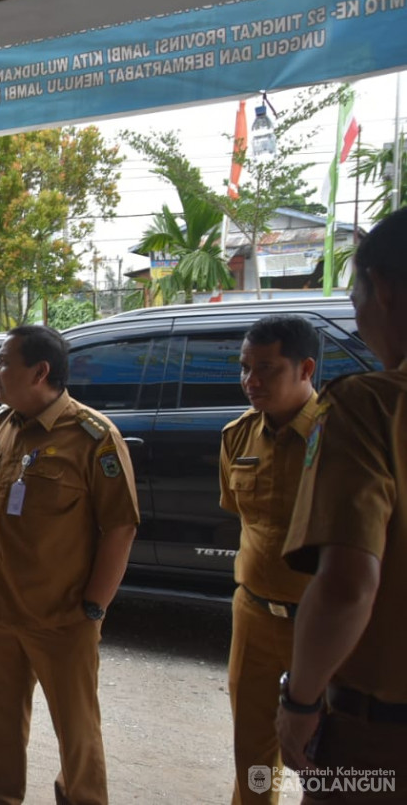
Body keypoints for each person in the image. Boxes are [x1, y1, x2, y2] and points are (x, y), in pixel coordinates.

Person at [0, 324, 139, 805]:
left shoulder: (93, 437)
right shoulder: (0, 425)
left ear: (40, 371)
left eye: (4, 363)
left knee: (77, 736)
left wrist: (93, 607)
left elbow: (120, 527)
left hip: (60, 620)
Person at [277, 206, 407, 800]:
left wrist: (300, 700)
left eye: (354, 297)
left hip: (381, 741)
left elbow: (349, 585)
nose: (356, 322)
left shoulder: (369, 406)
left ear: (380, 288)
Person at [219, 315, 320, 805]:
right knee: (252, 753)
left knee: (327, 757)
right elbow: (244, 518)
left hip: (323, 624)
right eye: (244, 368)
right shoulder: (237, 436)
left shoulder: (341, 437)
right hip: (255, 615)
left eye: (266, 368)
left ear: (305, 368)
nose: (250, 381)